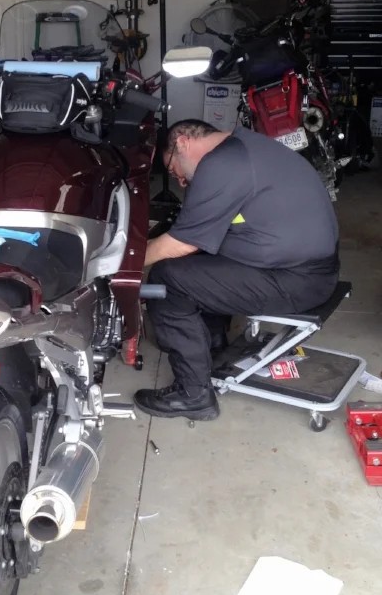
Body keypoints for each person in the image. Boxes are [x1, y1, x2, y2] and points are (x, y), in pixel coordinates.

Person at [134, 119, 340, 421]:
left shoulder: (223, 164)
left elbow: (182, 243)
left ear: (182, 143)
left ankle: (193, 394)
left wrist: (124, 261)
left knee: (167, 280)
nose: (180, 180)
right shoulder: (246, 147)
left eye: (173, 168)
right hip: (306, 269)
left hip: (297, 280)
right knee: (202, 261)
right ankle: (213, 348)